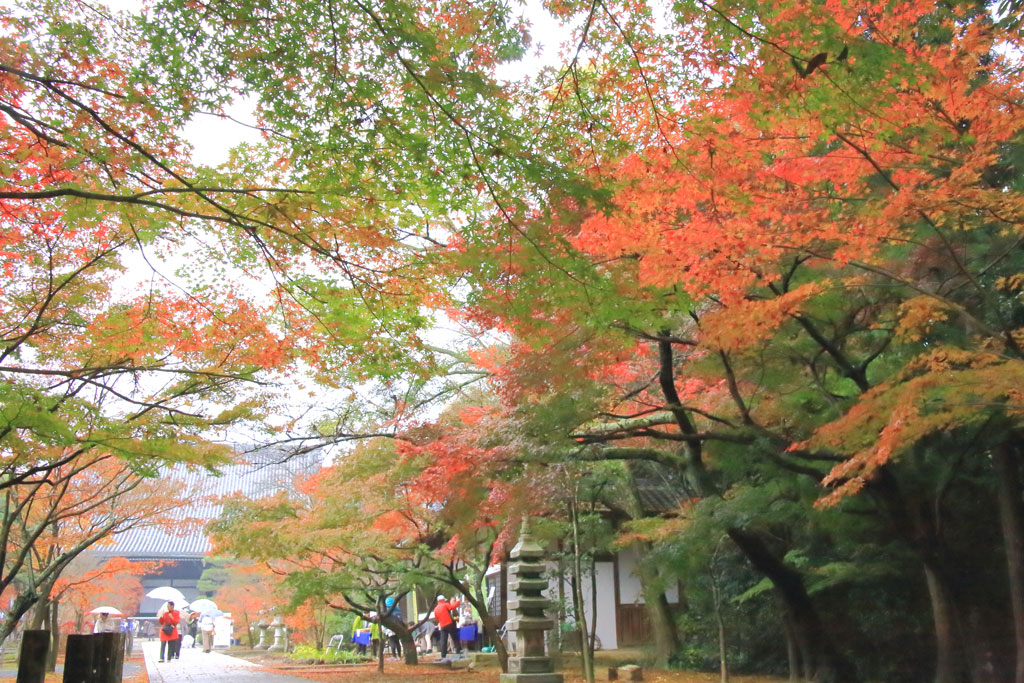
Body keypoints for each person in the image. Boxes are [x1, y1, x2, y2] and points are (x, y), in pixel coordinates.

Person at [434, 594, 462, 659]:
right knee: (454, 638)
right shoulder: (445, 604)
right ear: (443, 600)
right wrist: (458, 602)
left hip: (442, 625)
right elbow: (453, 607)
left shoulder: (435, 609)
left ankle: (443, 655)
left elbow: (436, 617)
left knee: (443, 640)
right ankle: (458, 651)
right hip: (449, 624)